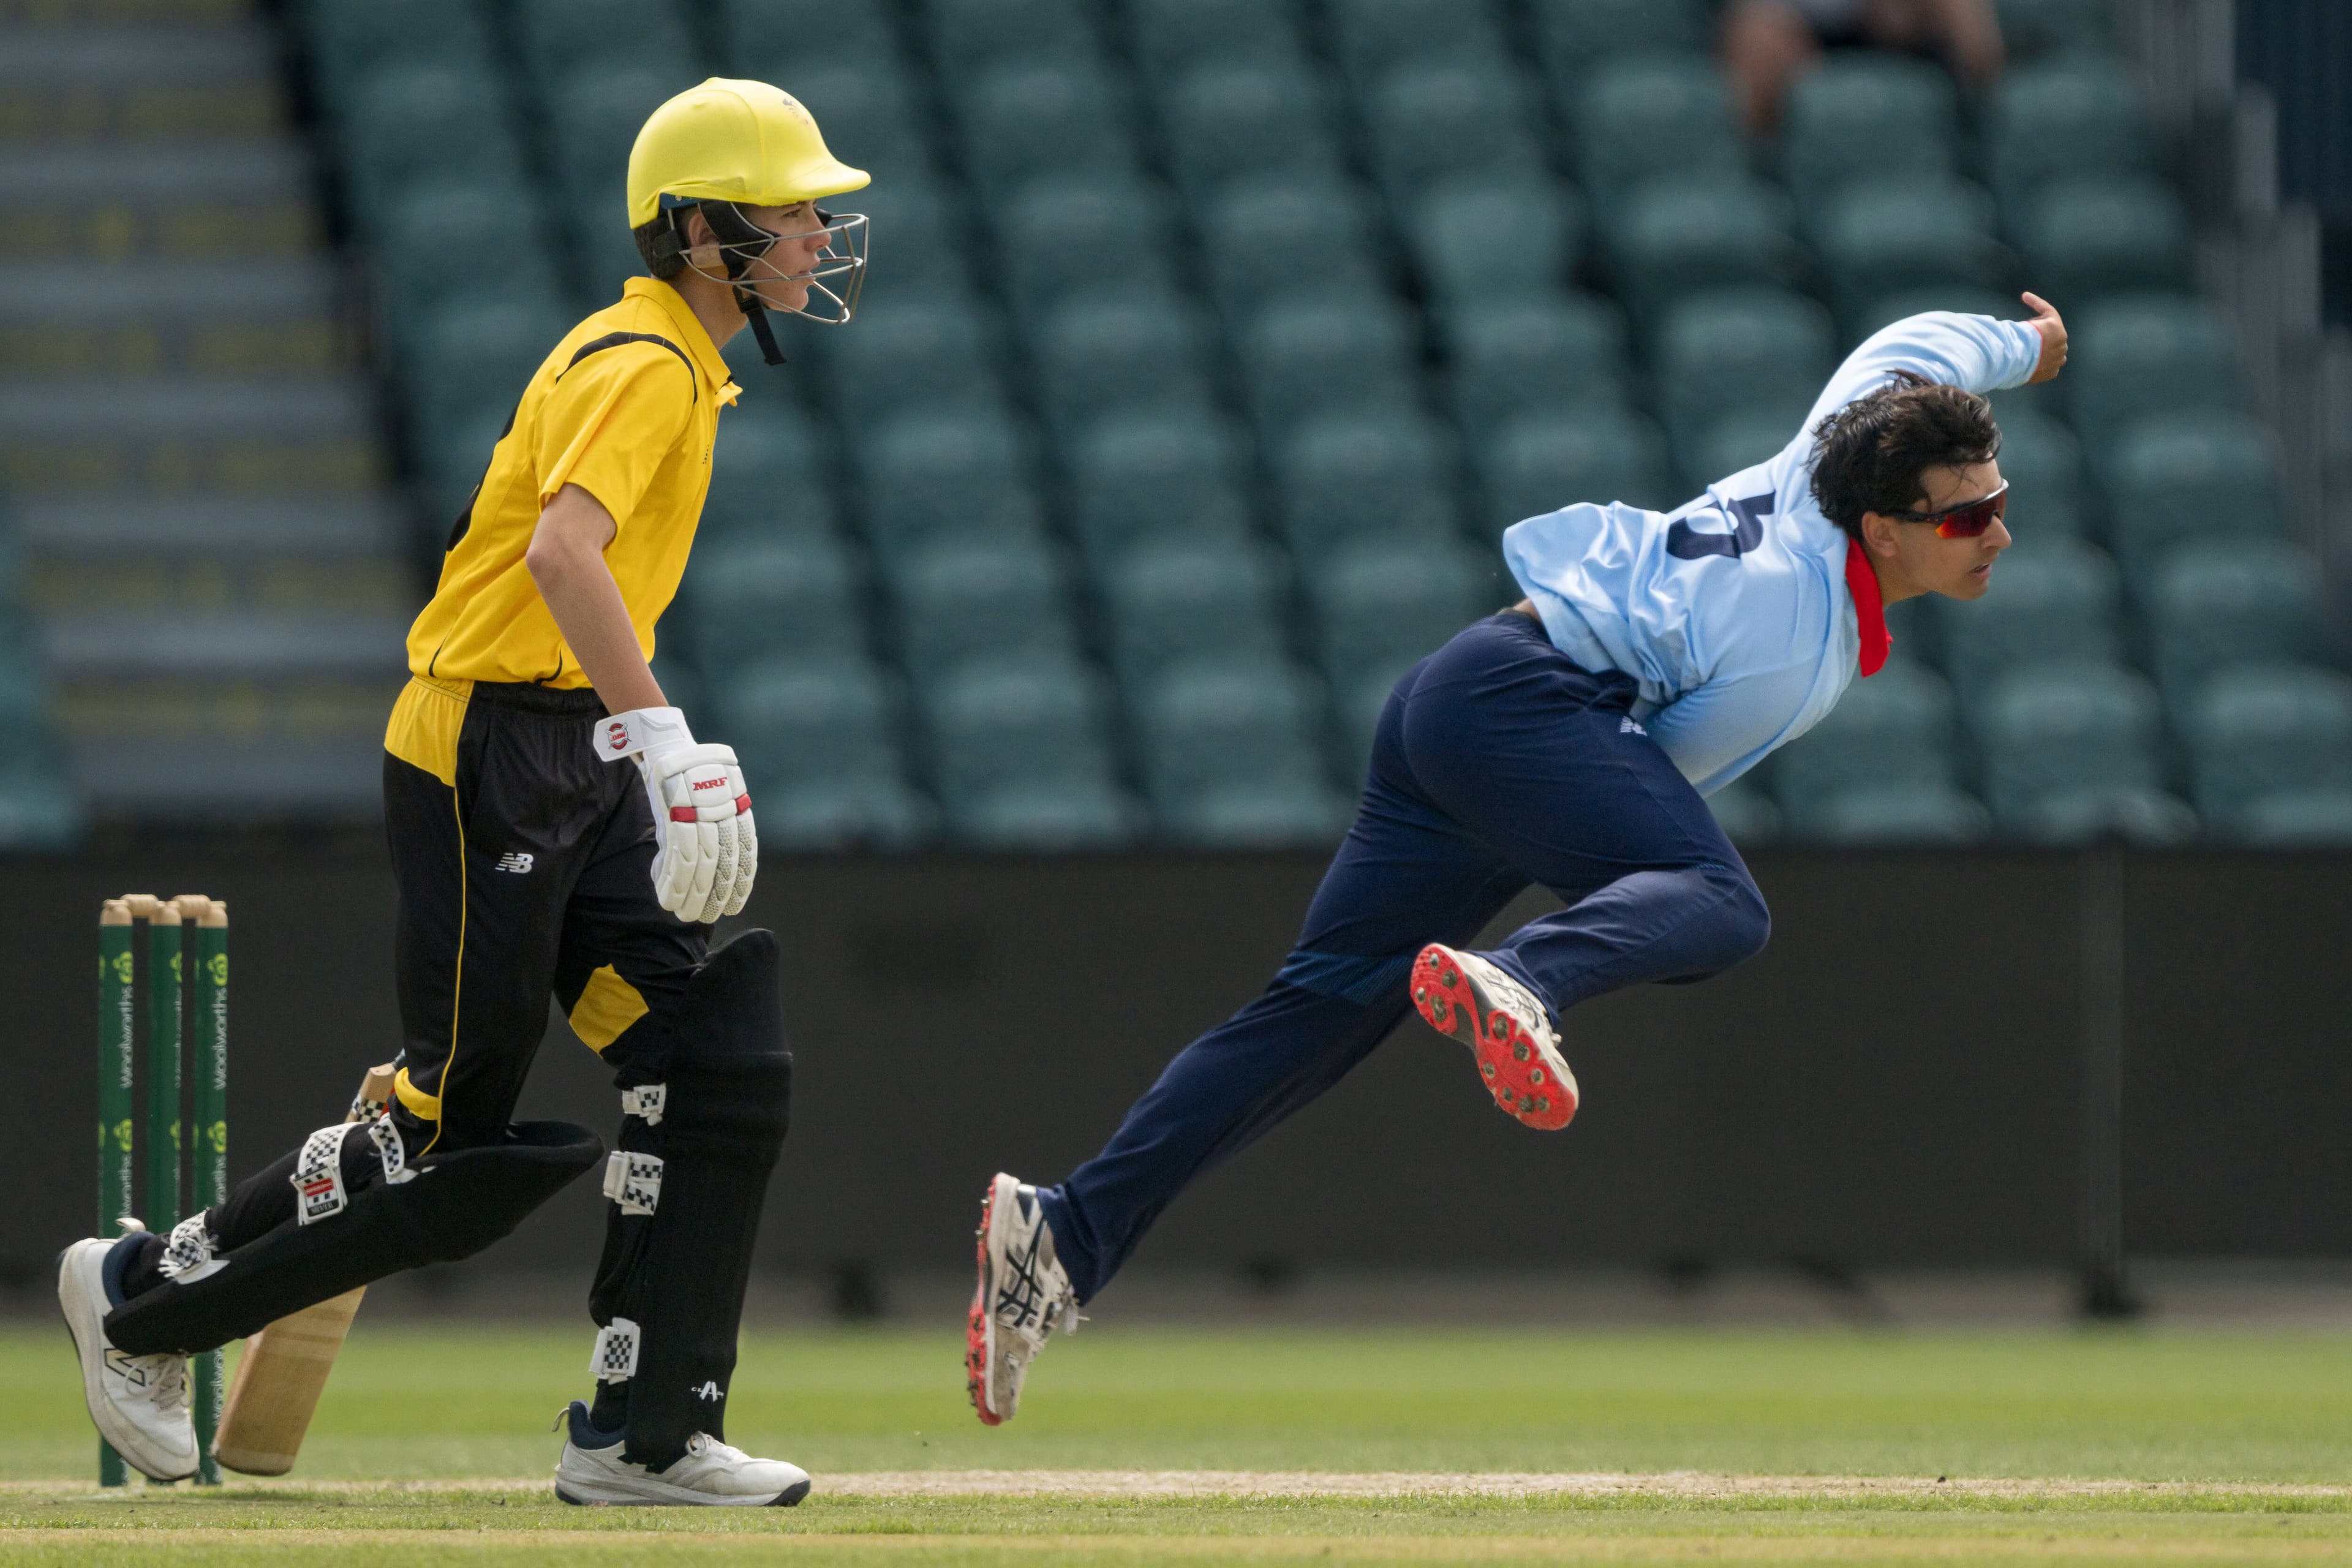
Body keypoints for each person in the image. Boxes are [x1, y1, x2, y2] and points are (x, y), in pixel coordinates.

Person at [965, 294, 2071, 1426]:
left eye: (1995, 501)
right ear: (1882, 532)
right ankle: (1527, 978)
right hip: (1530, 717)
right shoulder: (1796, 652)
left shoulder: (1841, 443)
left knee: (1312, 1016)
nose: (1996, 532)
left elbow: (1915, 345)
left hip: (1463, 687)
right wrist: (1544, 954)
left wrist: (2027, 348)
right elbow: (1649, 795)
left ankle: (1066, 1232)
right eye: (1964, 517)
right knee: (1725, 906)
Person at [57, 78, 870, 1506]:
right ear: (700, 229)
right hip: (482, 753)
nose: (818, 230)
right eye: (793, 207)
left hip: (566, 751)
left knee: (707, 1059)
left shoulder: (681, 358)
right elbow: (564, 555)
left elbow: (517, 547)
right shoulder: (644, 358)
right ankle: (138, 1295)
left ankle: (644, 1436)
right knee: (446, 1133)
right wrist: (666, 740)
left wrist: (629, 747)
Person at [1723, 0, 2005, 136]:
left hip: (1884, 30)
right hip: (1791, 25)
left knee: (1963, 12)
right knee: (1759, 41)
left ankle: (1980, 135)